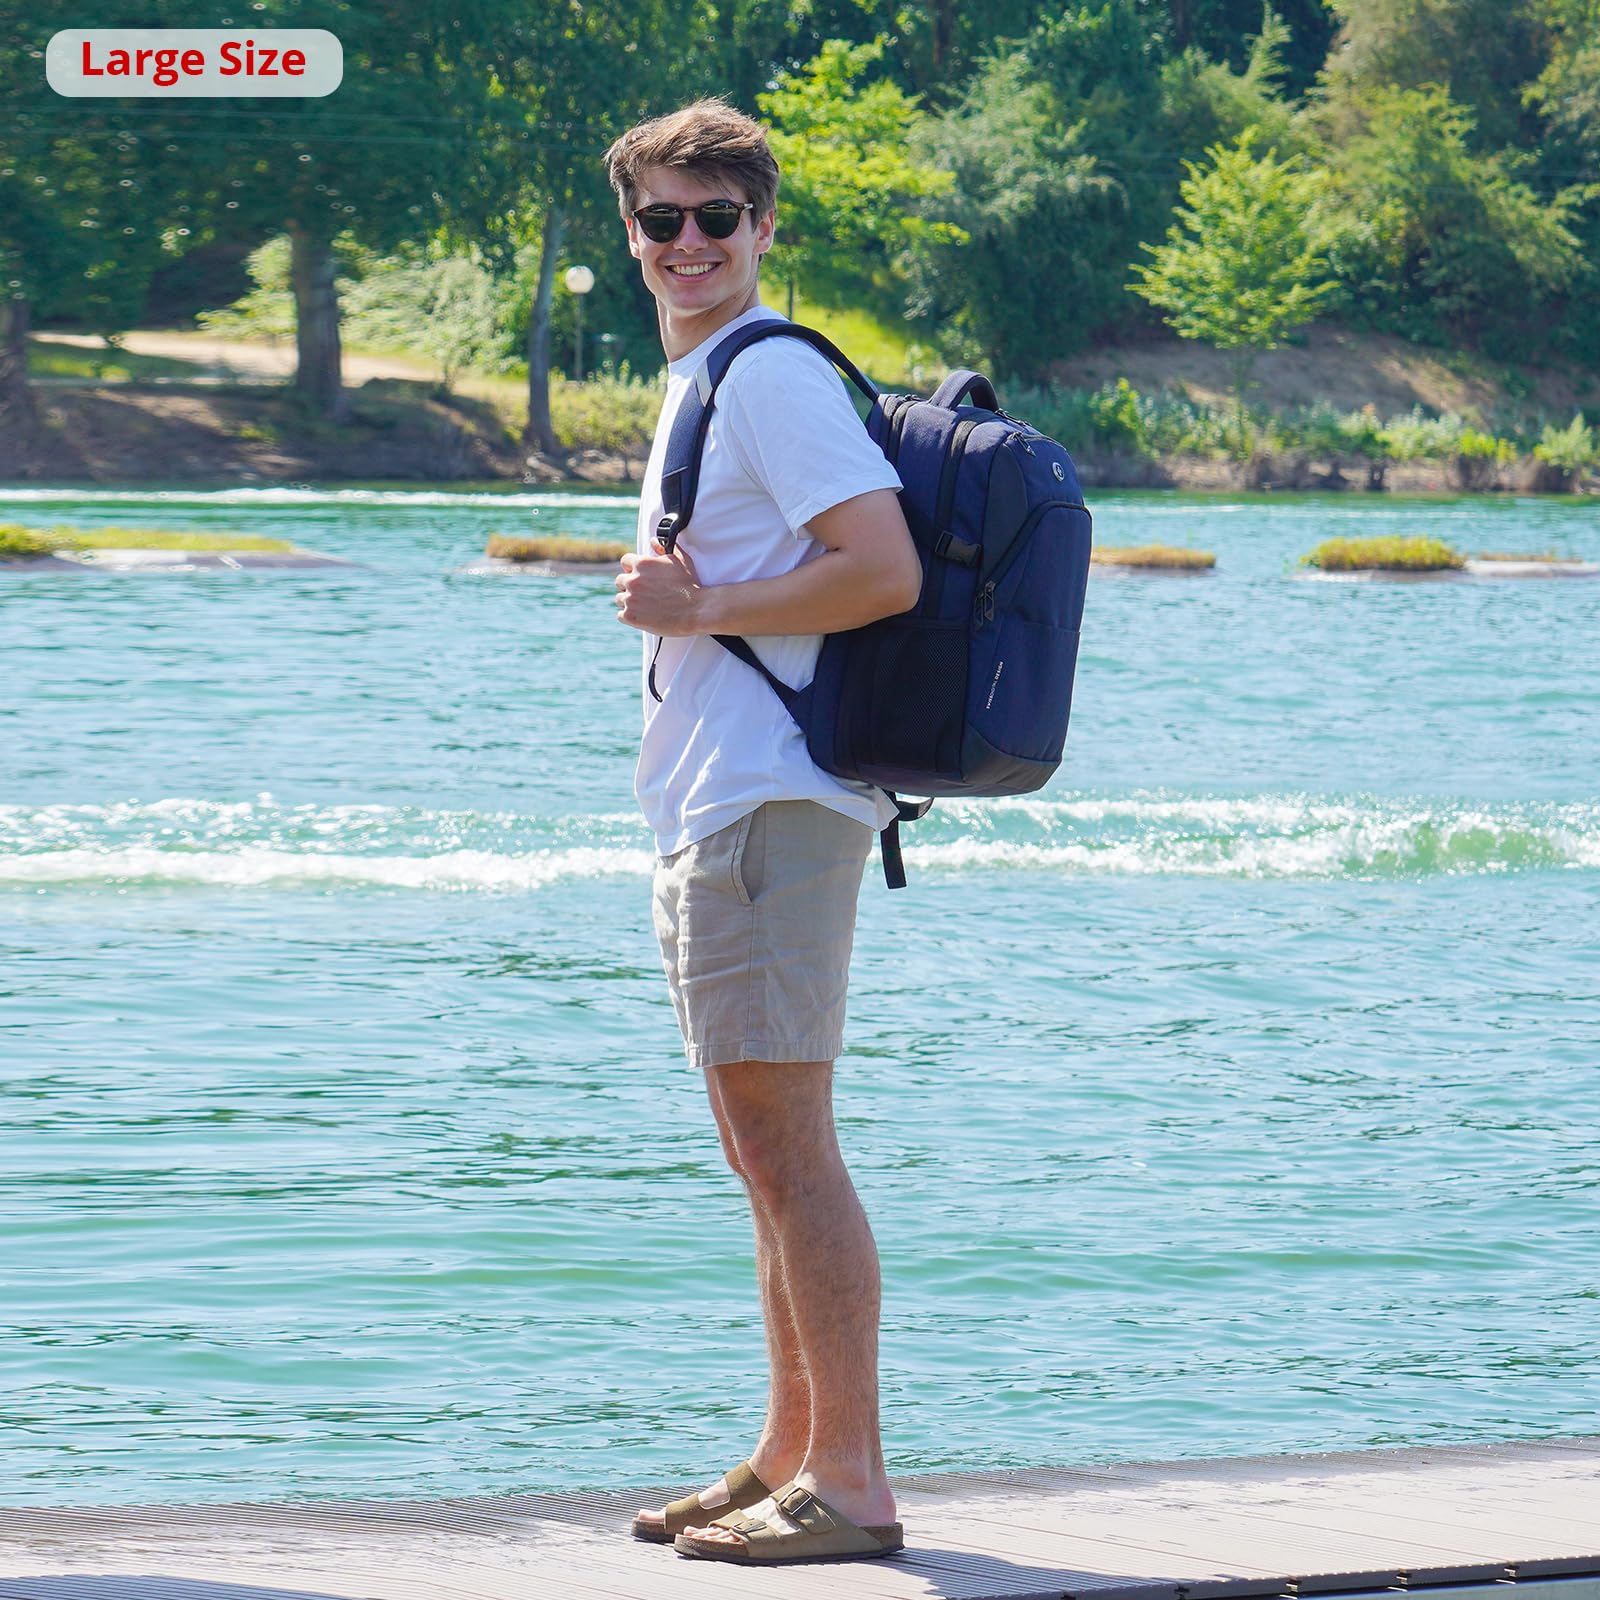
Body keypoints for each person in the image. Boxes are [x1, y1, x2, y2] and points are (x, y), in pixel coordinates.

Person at [606, 99, 921, 1566]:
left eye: (716, 217)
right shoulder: (703, 374)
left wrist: (706, 604)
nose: (689, 242)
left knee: (792, 1153)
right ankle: (790, 1454)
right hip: (720, 802)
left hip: (770, 802)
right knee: (760, 1153)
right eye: (661, 219)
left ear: (763, 226)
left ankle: (850, 1483)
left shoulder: (770, 374)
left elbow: (884, 569)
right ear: (632, 233)